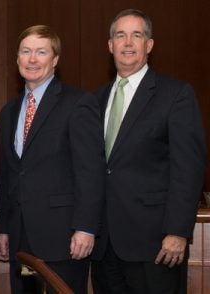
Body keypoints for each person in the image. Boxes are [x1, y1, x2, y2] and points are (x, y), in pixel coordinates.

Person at [91, 9, 206, 294]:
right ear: (110, 45)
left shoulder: (175, 94)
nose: (128, 42)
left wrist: (178, 232)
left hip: (156, 244)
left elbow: (188, 170)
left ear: (149, 45)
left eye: (137, 35)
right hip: (104, 247)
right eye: (120, 35)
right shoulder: (95, 100)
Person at [0, 25, 105, 293]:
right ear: (17, 58)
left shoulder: (78, 103)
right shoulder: (9, 111)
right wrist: (4, 229)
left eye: (41, 52)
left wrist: (86, 228)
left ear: (55, 60)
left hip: (63, 238)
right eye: (26, 51)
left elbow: (91, 171)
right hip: (20, 238)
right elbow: (10, 174)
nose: (32, 59)